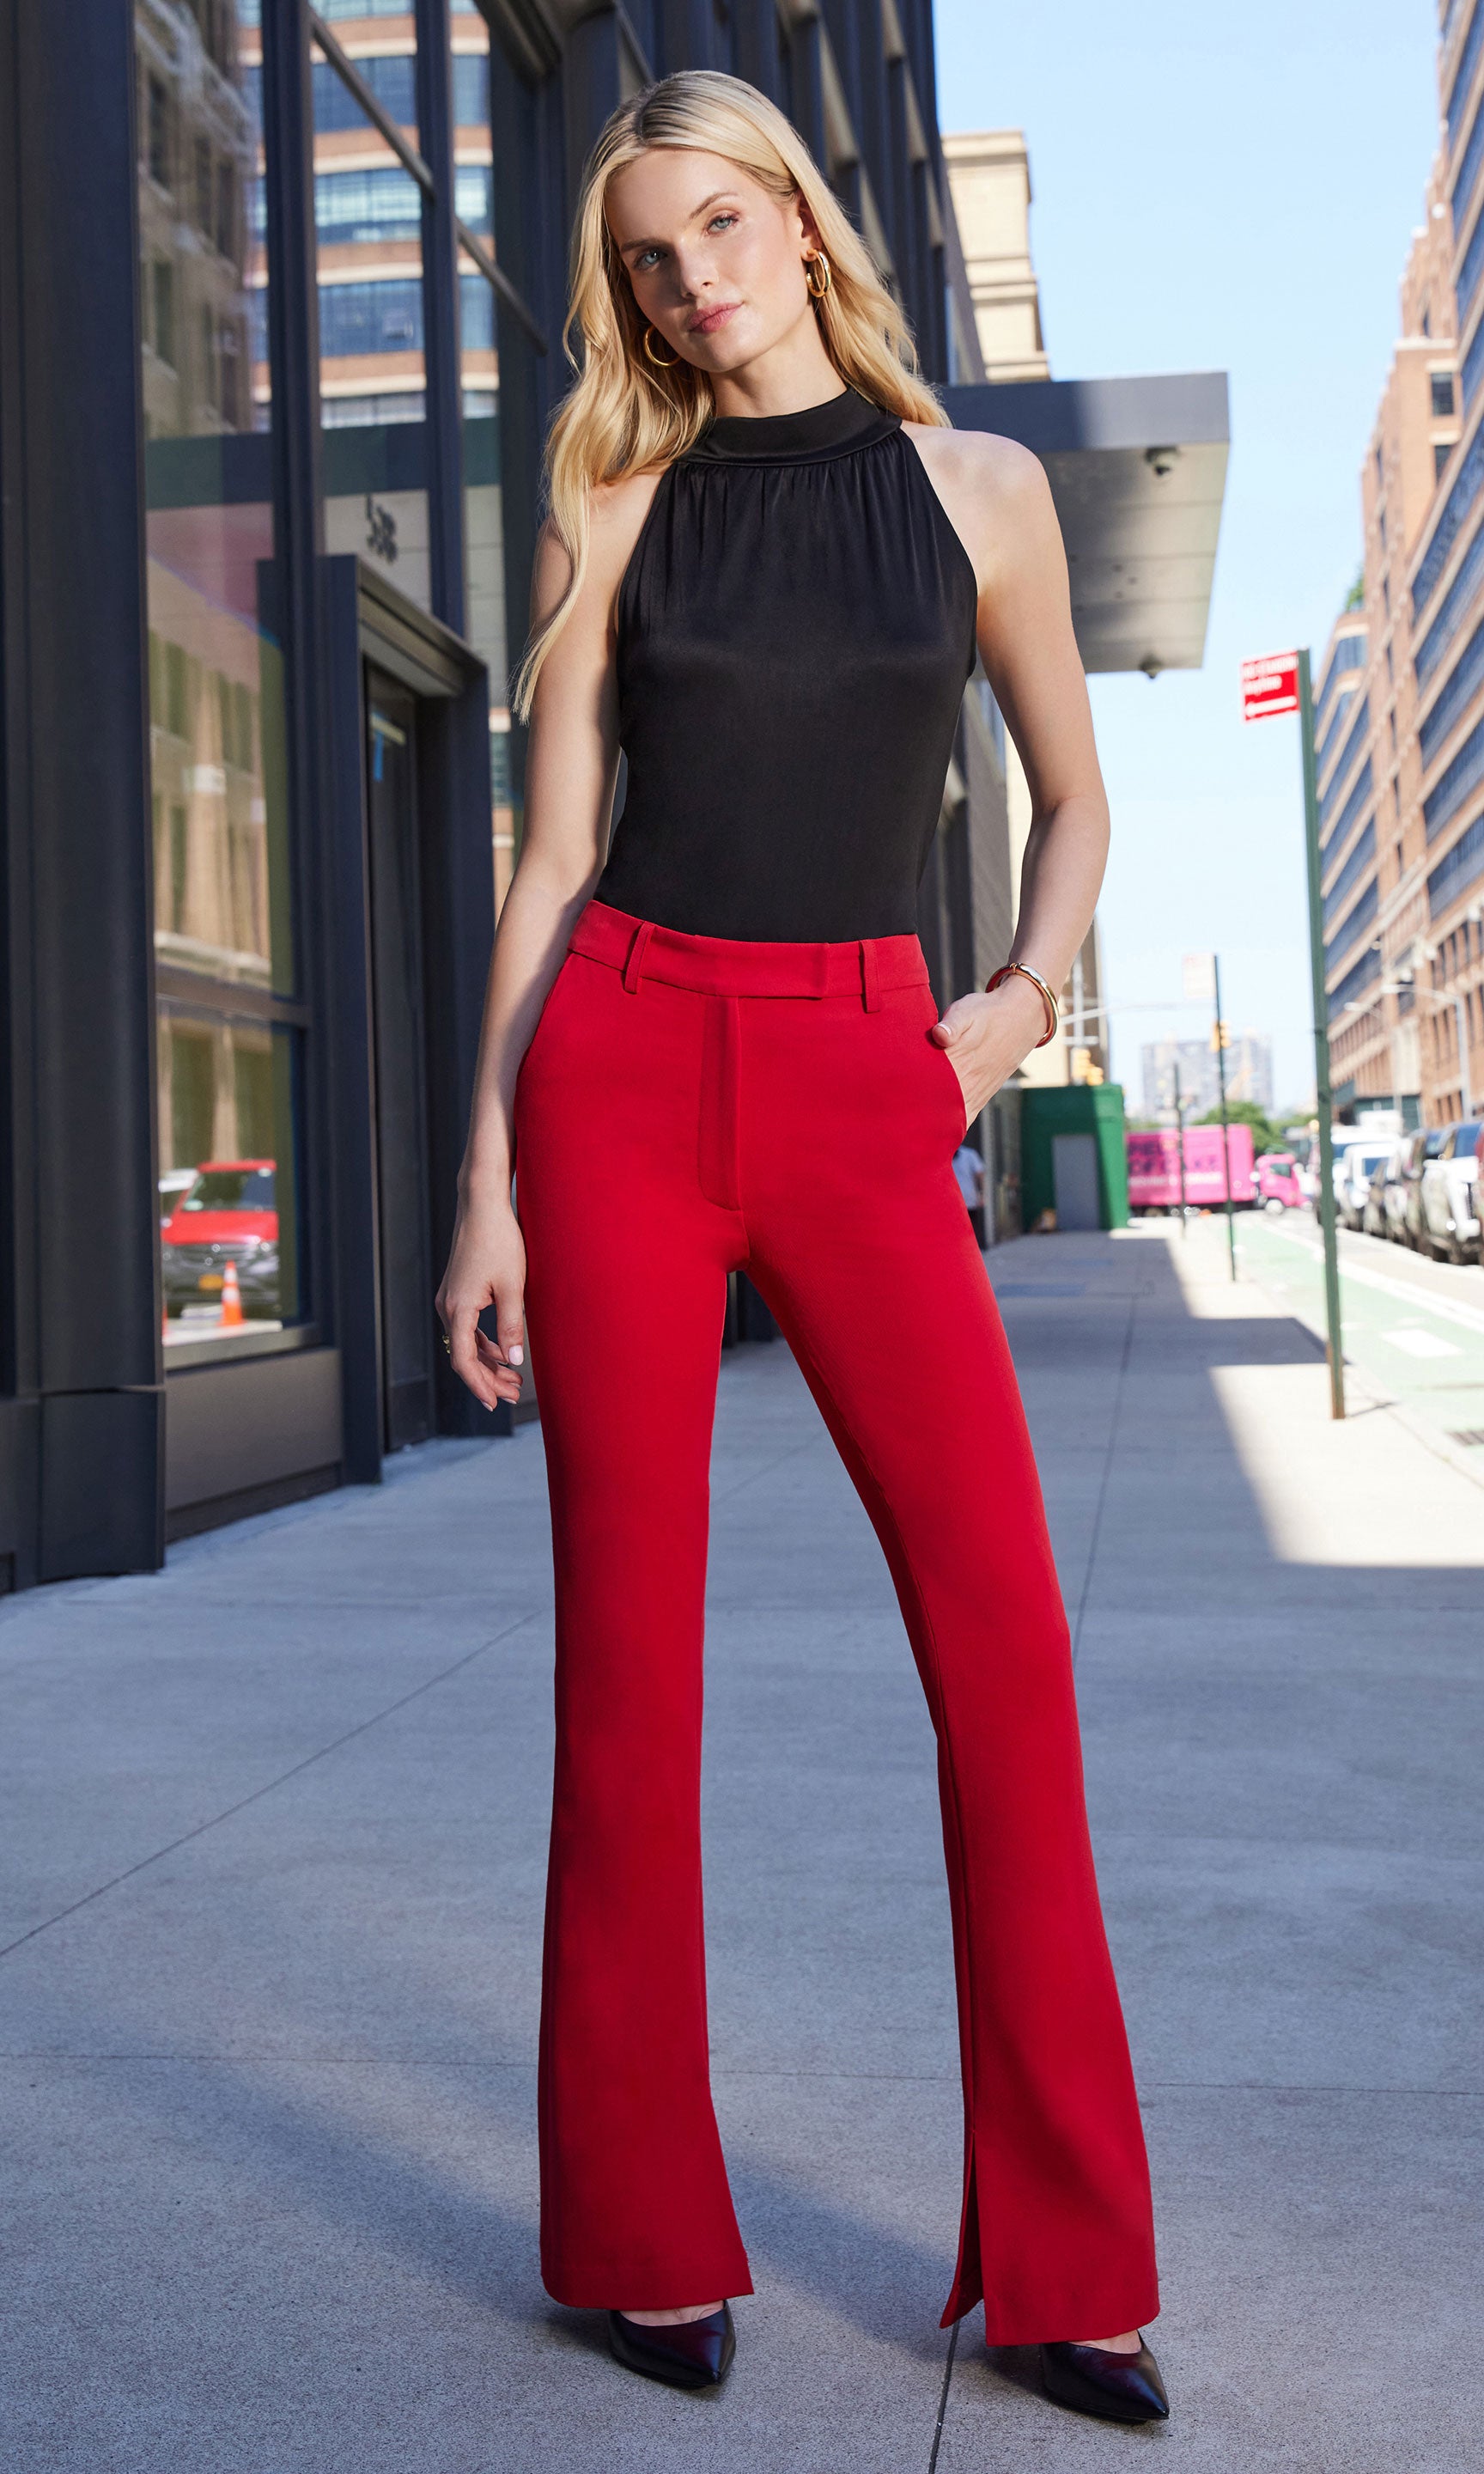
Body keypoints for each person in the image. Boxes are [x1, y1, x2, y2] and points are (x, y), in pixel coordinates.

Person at [436, 69, 1168, 2430]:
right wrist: (484, 1187)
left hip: (873, 1076)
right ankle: (637, 2238)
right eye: (651, 254)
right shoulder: (619, 509)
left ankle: (1067, 2270)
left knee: (1011, 1659)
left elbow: (1075, 797)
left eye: (724, 224)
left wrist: (1010, 1014)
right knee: (632, 1693)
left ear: (807, 226)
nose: (692, 277)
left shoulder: (983, 491)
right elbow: (551, 867)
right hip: (626, 1076)